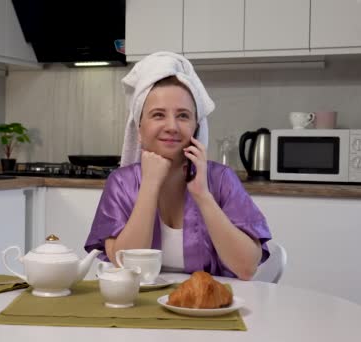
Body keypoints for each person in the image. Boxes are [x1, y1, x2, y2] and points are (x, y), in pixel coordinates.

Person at [84, 52, 271, 280]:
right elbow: (126, 268)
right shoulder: (121, 183)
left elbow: (247, 268)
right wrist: (150, 185)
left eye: (183, 116)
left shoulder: (221, 179)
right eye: (158, 115)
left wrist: (203, 195)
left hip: (210, 307)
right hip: (142, 307)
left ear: (195, 126)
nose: (172, 126)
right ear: (139, 128)